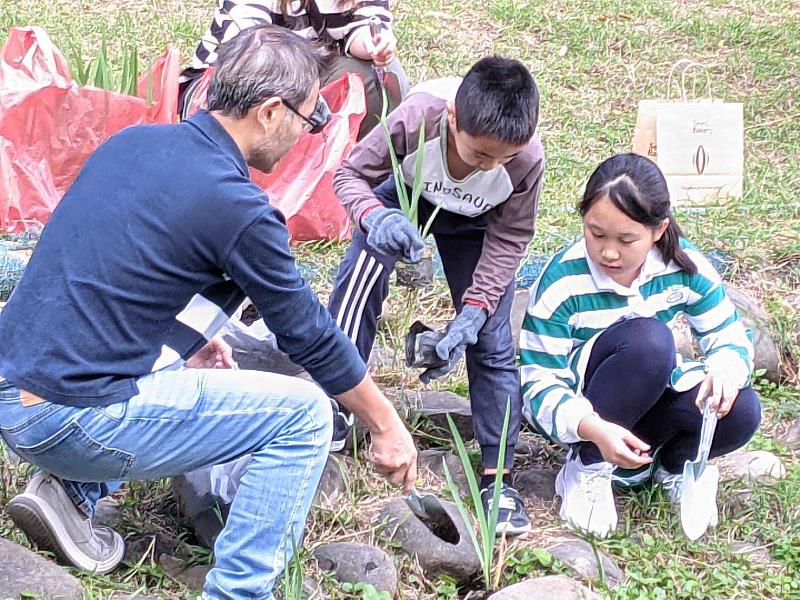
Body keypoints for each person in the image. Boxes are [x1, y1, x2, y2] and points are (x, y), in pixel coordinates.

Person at [0, 25, 417, 599]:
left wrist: (184, 342)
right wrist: (386, 423)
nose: (306, 132)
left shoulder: (133, 145)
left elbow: (113, 278)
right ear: (271, 111)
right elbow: (311, 337)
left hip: (13, 393)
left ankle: (69, 494)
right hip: (66, 419)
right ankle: (239, 592)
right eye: (307, 117)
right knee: (304, 417)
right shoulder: (236, 204)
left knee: (197, 356)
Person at [328, 56, 545, 535]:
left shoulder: (525, 161)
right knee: (359, 282)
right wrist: (374, 218)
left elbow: (510, 241)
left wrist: (473, 312)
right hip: (402, 198)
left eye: (501, 159)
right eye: (478, 154)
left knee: (491, 341)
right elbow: (348, 176)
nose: (488, 165)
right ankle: (335, 405)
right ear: (452, 118)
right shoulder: (416, 119)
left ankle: (497, 478)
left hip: (478, 223)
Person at [519, 153, 761, 537]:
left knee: (742, 409)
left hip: (647, 394)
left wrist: (728, 368)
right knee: (649, 342)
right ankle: (588, 466)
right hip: (589, 406)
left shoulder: (684, 267)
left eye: (626, 239)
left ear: (659, 230)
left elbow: (727, 333)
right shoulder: (563, 281)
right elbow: (536, 381)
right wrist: (591, 428)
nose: (609, 252)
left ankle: (674, 466)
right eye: (595, 233)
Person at [179, 0, 409, 138]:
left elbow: (362, 24)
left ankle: (357, 176)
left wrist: (374, 44)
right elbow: (247, 46)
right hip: (237, 77)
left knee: (385, 76)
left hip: (311, 67)